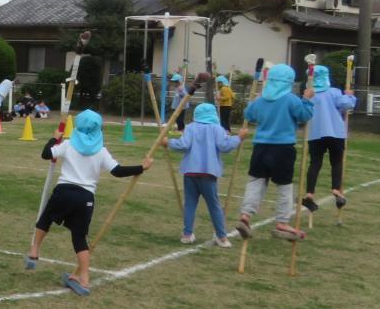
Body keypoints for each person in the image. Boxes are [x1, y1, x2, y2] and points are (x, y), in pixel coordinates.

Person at [26, 109, 152, 295]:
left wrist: (54, 139)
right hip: (85, 198)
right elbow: (117, 171)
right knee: (79, 237)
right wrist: (142, 167)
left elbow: (46, 154)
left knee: (46, 219)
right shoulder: (101, 151)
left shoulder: (68, 144)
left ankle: (35, 249)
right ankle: (84, 276)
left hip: (64, 192)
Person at [235, 63, 316, 242]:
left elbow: (249, 115)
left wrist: (252, 102)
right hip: (283, 148)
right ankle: (282, 221)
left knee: (255, 183)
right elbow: (304, 116)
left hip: (260, 147)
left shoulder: (261, 99)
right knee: (284, 186)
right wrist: (308, 100)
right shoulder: (291, 99)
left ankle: (245, 215)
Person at [167, 102, 241, 246]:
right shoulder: (217, 129)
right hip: (208, 173)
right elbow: (225, 146)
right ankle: (221, 237)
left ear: (196, 115)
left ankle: (187, 234)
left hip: (190, 172)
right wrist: (239, 138)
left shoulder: (190, 128)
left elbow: (183, 145)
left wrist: (169, 142)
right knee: (214, 205)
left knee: (190, 204)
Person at [303, 64, 357, 214]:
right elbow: (346, 104)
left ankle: (309, 193)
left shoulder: (309, 93)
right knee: (336, 161)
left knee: (315, 163)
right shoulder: (333, 92)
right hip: (335, 132)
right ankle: (336, 189)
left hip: (315, 133)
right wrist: (349, 95)